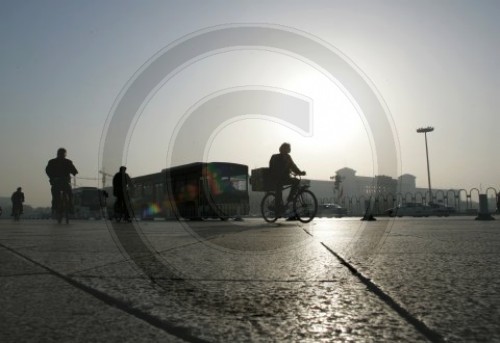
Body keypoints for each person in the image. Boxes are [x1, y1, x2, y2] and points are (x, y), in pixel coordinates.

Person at [269, 142, 306, 216]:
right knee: (279, 191)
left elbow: (293, 166)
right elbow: (273, 168)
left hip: (285, 178)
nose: (289, 149)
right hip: (277, 178)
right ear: (283, 149)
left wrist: (300, 172)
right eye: (287, 148)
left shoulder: (288, 157)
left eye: (289, 148)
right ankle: (277, 209)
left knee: (296, 181)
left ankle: (290, 198)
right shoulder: (275, 157)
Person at [45, 148, 78, 215]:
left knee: (55, 194)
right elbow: (74, 171)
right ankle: (70, 208)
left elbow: (47, 171)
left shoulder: (52, 162)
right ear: (65, 154)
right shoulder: (68, 162)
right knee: (70, 194)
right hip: (65, 182)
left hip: (55, 182)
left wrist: (52, 177)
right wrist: (74, 173)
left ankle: (54, 207)